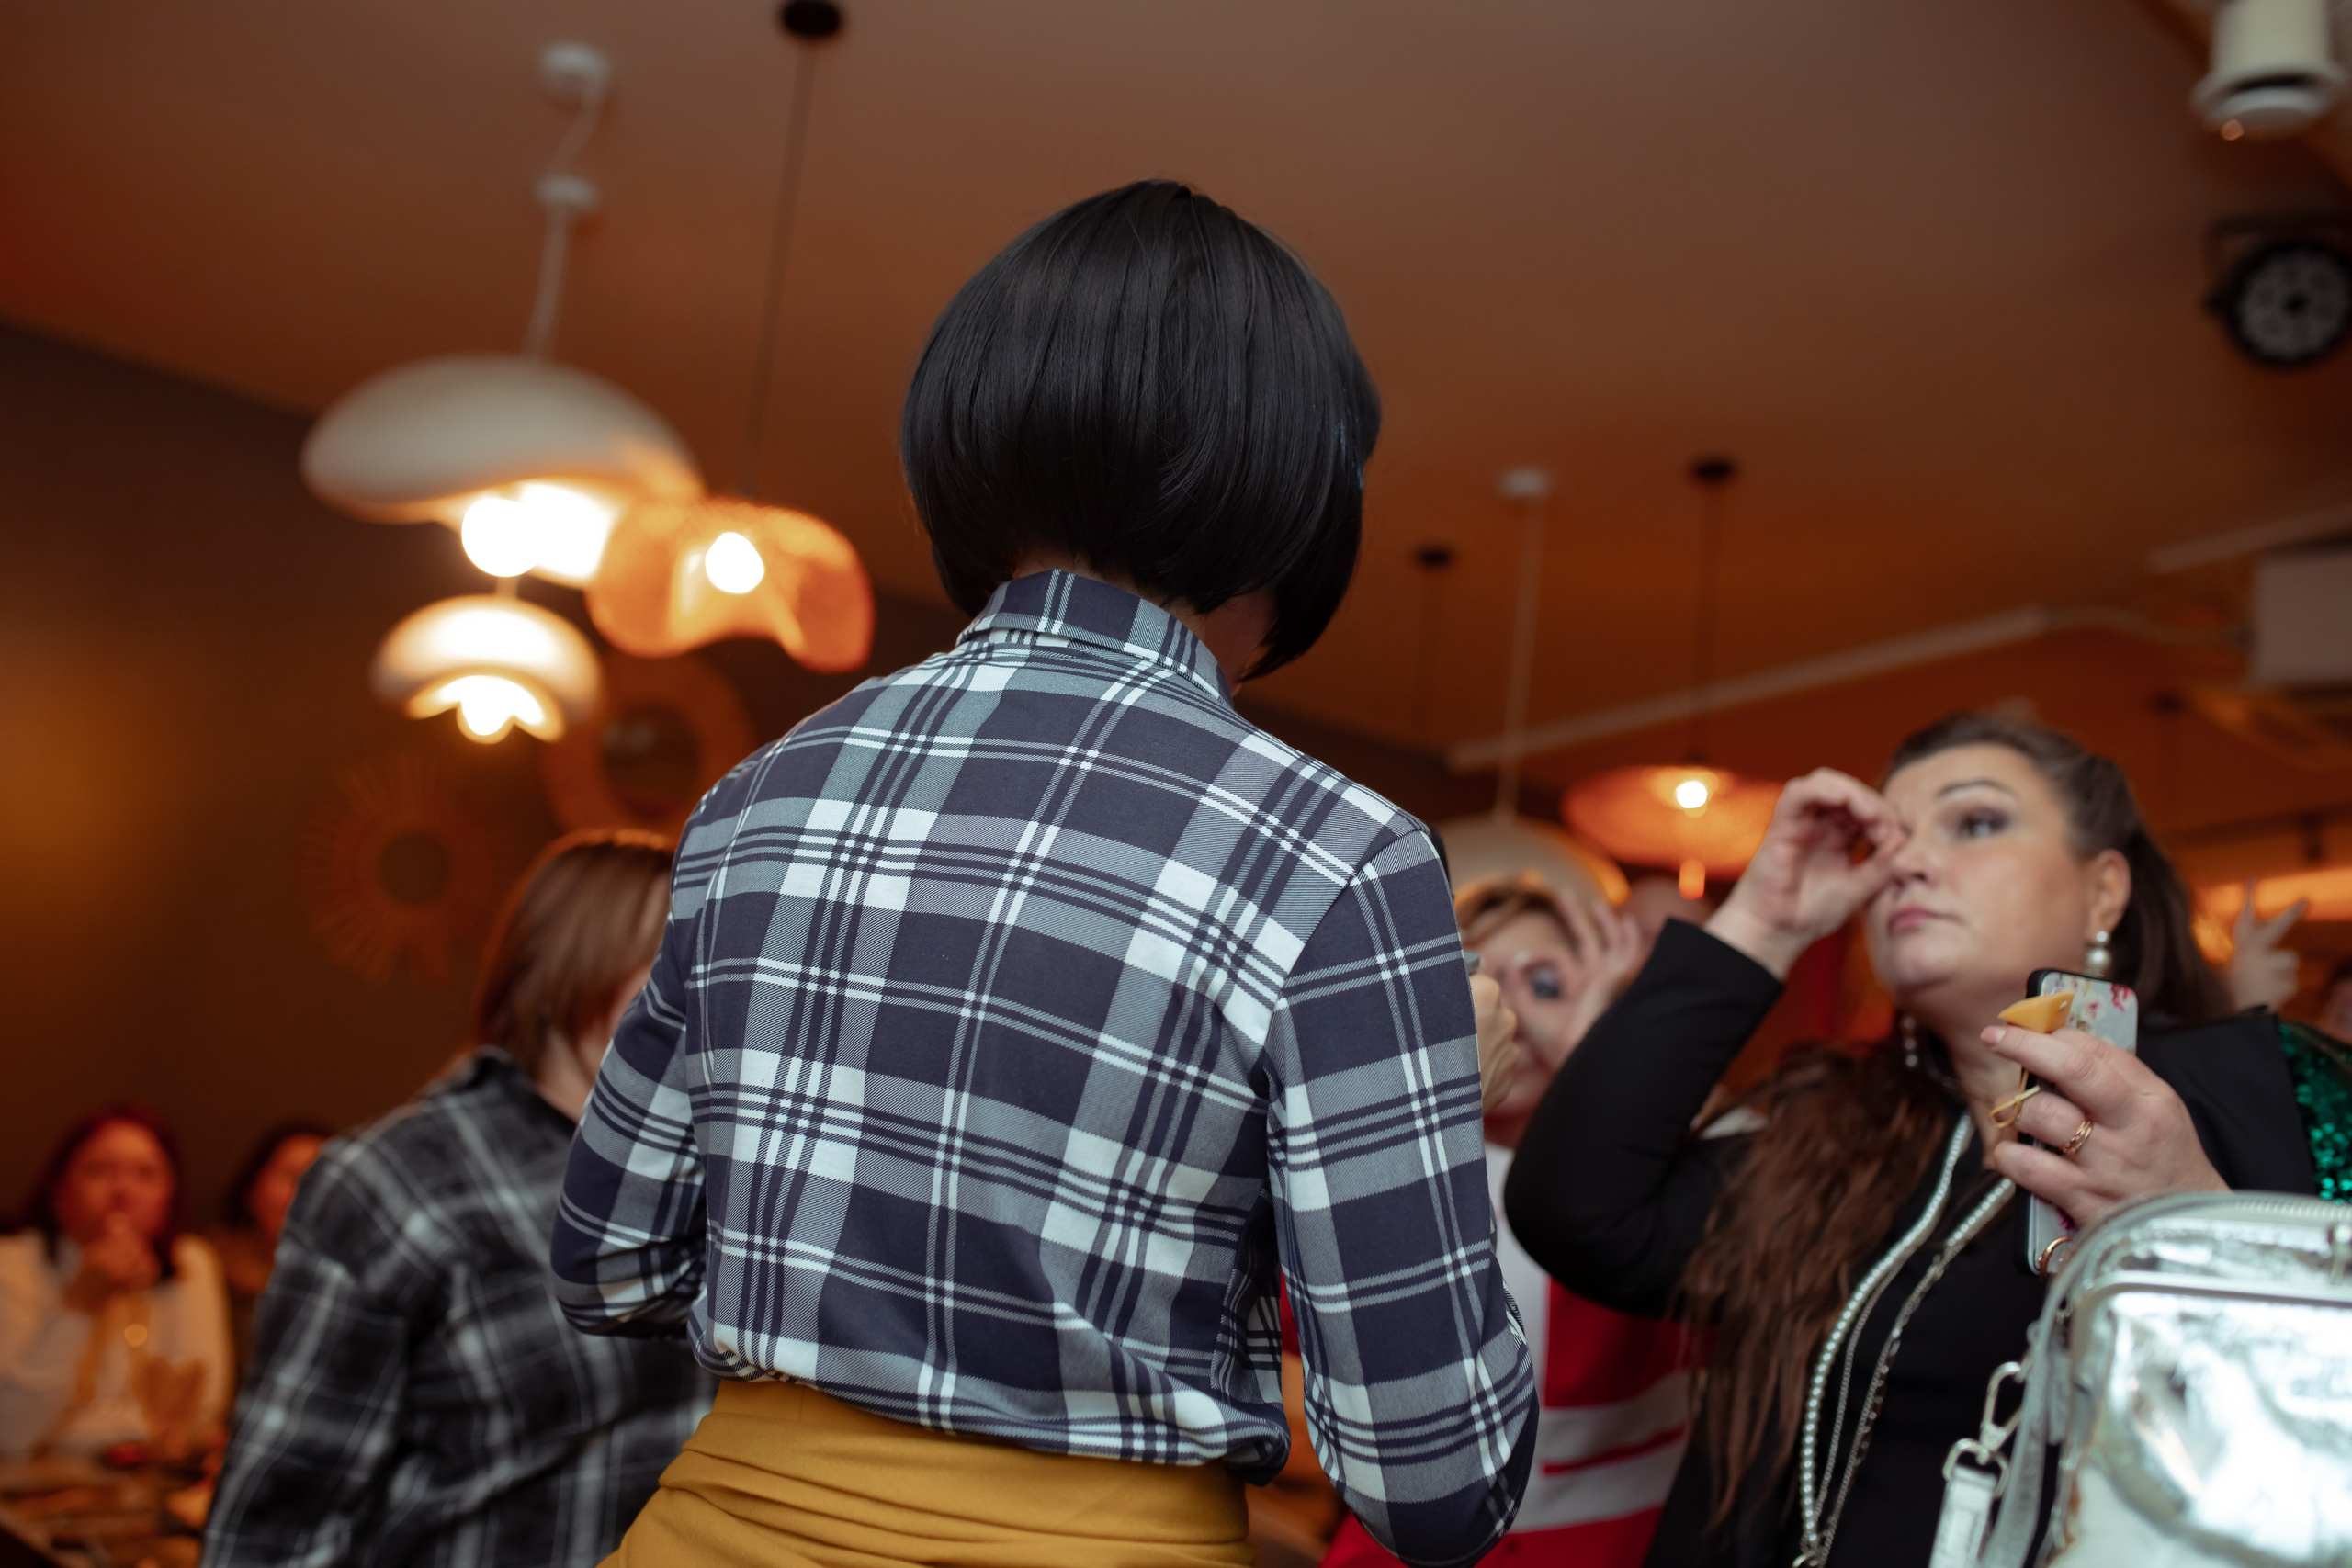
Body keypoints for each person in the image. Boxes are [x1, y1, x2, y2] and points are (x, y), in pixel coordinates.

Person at [553, 180, 1536, 1568]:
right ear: (1296, 506)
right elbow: (1433, 1480)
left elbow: (609, 1261)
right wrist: (1421, 1105)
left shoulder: (751, 797)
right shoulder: (1343, 858)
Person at [1504, 712, 2319, 1568]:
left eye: (1975, 822)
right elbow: (1575, 1212)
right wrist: (1766, 923)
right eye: (1886, 843)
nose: (1910, 863)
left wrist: (2189, 1229)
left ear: (2104, 889)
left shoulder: (2269, 1087)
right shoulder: (1830, 1130)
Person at [204, 830, 715, 1568]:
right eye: (671, 969)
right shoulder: (398, 1181)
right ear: (575, 961)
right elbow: (273, 1528)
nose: (709, 1002)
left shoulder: (723, 1172)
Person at [1325, 874, 1687, 1568]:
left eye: (1545, 985)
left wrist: (1601, 1048)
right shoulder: (1379, 1168)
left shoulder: (1672, 1175)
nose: (1509, 1010)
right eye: (1477, 985)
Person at [0, 1105, 232, 1460]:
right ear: (58, 1190)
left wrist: (67, 1429)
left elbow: (197, 1415)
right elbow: (11, 1432)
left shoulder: (190, 1263)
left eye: (146, 1174)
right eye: (100, 1170)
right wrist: (79, 1305)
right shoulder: (12, 1264)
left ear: (169, 1195)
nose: (123, 1190)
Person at [207, 1121, 329, 1368]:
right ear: (253, 1189)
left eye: (322, 1182)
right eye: (293, 1176)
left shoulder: (360, 1292)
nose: (306, 1194)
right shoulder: (203, 1272)